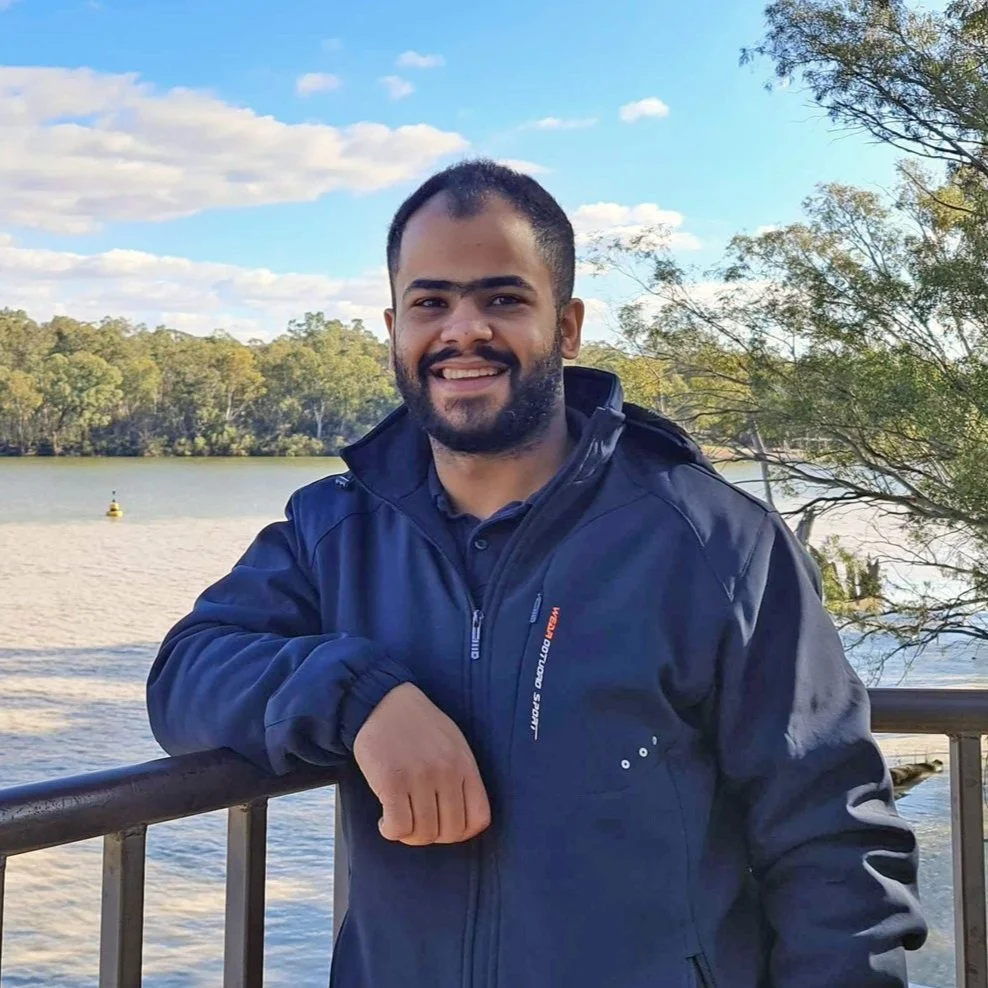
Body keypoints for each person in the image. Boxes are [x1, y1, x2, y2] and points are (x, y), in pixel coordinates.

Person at [147, 159, 926, 988]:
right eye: (431, 302)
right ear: (394, 328)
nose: (462, 331)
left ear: (568, 326)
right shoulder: (334, 531)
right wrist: (360, 698)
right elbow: (185, 674)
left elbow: (832, 844)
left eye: (503, 298)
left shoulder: (713, 542)